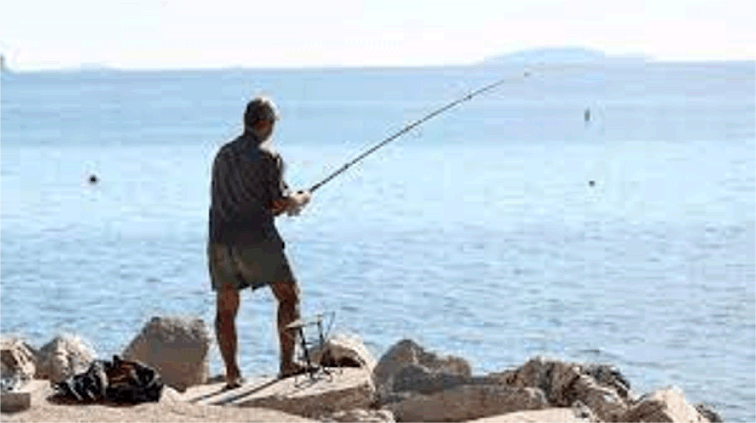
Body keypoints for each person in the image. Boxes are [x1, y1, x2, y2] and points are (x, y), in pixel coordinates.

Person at [208, 96, 312, 389]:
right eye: (274, 123)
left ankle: (232, 374)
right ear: (266, 123)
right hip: (255, 238)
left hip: (219, 240)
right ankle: (287, 365)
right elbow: (279, 202)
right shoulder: (268, 157)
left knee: (226, 308)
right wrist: (301, 199)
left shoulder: (223, 153)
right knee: (289, 296)